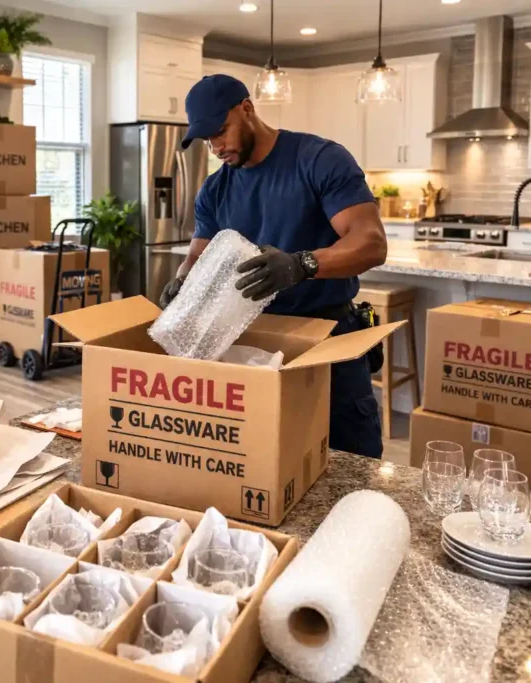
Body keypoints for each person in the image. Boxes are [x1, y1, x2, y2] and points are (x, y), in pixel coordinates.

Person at [161, 74, 388, 458]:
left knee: (353, 465)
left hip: (327, 340)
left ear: (247, 109)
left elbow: (371, 243)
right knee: (267, 466)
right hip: (250, 348)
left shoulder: (318, 160)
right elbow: (199, 254)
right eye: (207, 139)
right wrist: (183, 281)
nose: (216, 146)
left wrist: (302, 264)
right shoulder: (215, 190)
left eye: (221, 132)